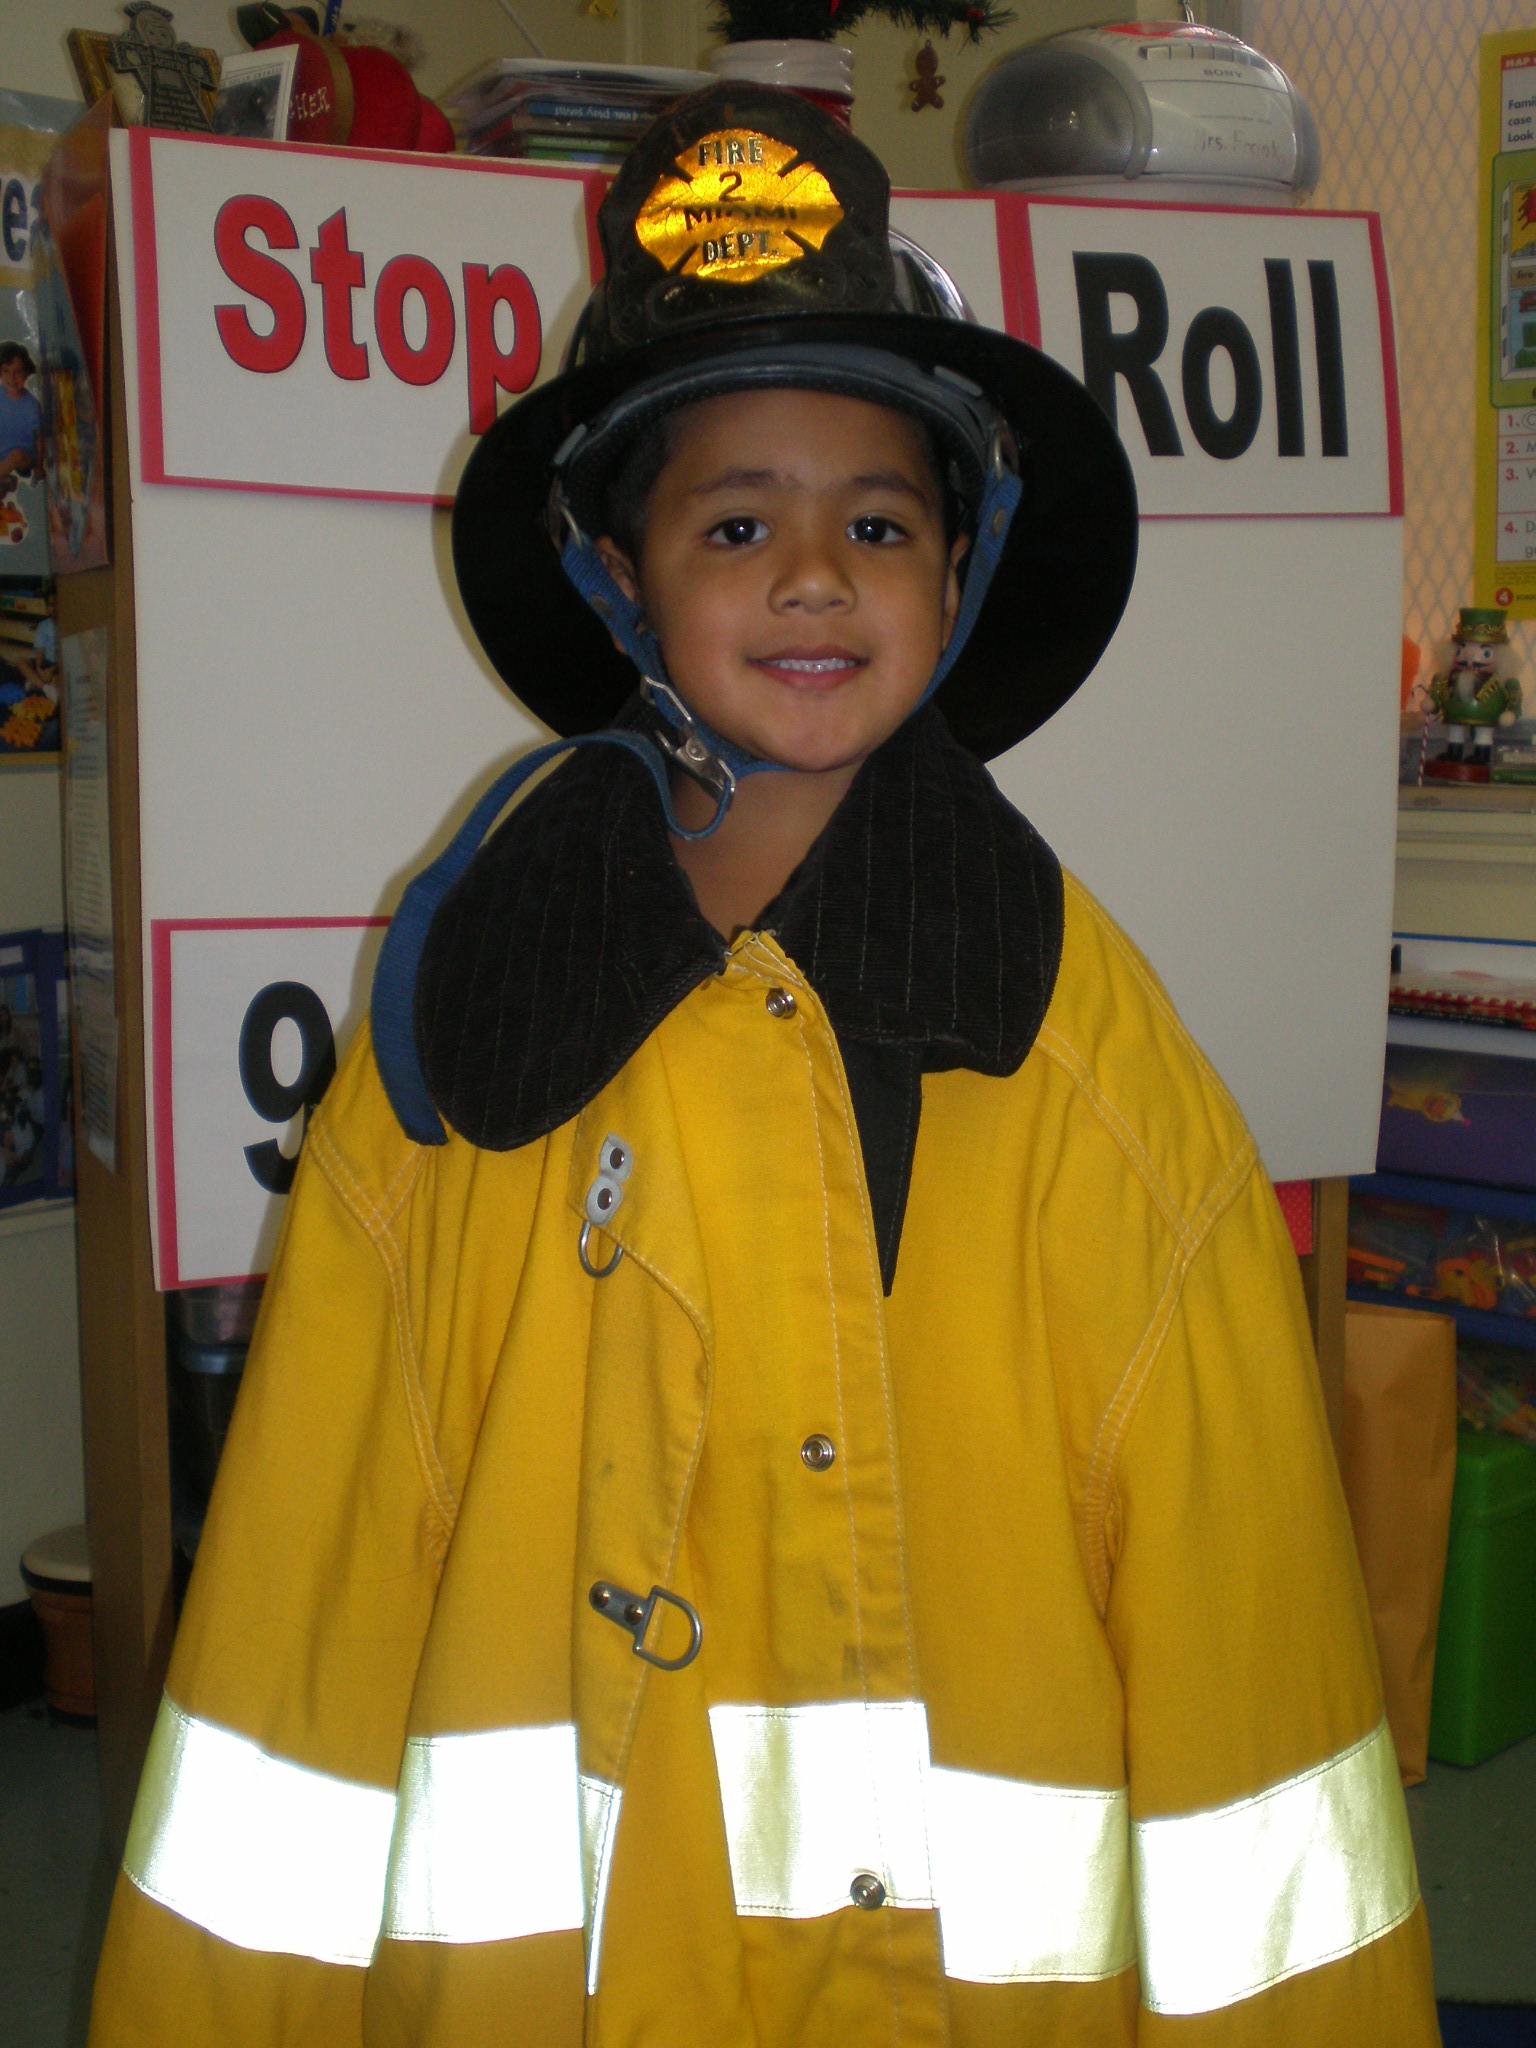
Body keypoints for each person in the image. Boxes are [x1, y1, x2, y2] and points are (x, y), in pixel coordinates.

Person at [89, 82, 1440, 2047]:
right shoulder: (466, 1036)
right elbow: (299, 1620)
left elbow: (1258, 1669)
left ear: (960, 570)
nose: (814, 573)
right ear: (618, 573)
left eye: (877, 521)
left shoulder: (1085, 1054)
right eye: (737, 522)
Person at [0, 341, 42, 488]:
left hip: (24, 456)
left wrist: (39, 465)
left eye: (17, 372)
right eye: (6, 371)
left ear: (26, 373)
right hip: (2, 452)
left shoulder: (31, 405)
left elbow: (39, 438)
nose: (11, 378)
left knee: (16, 455)